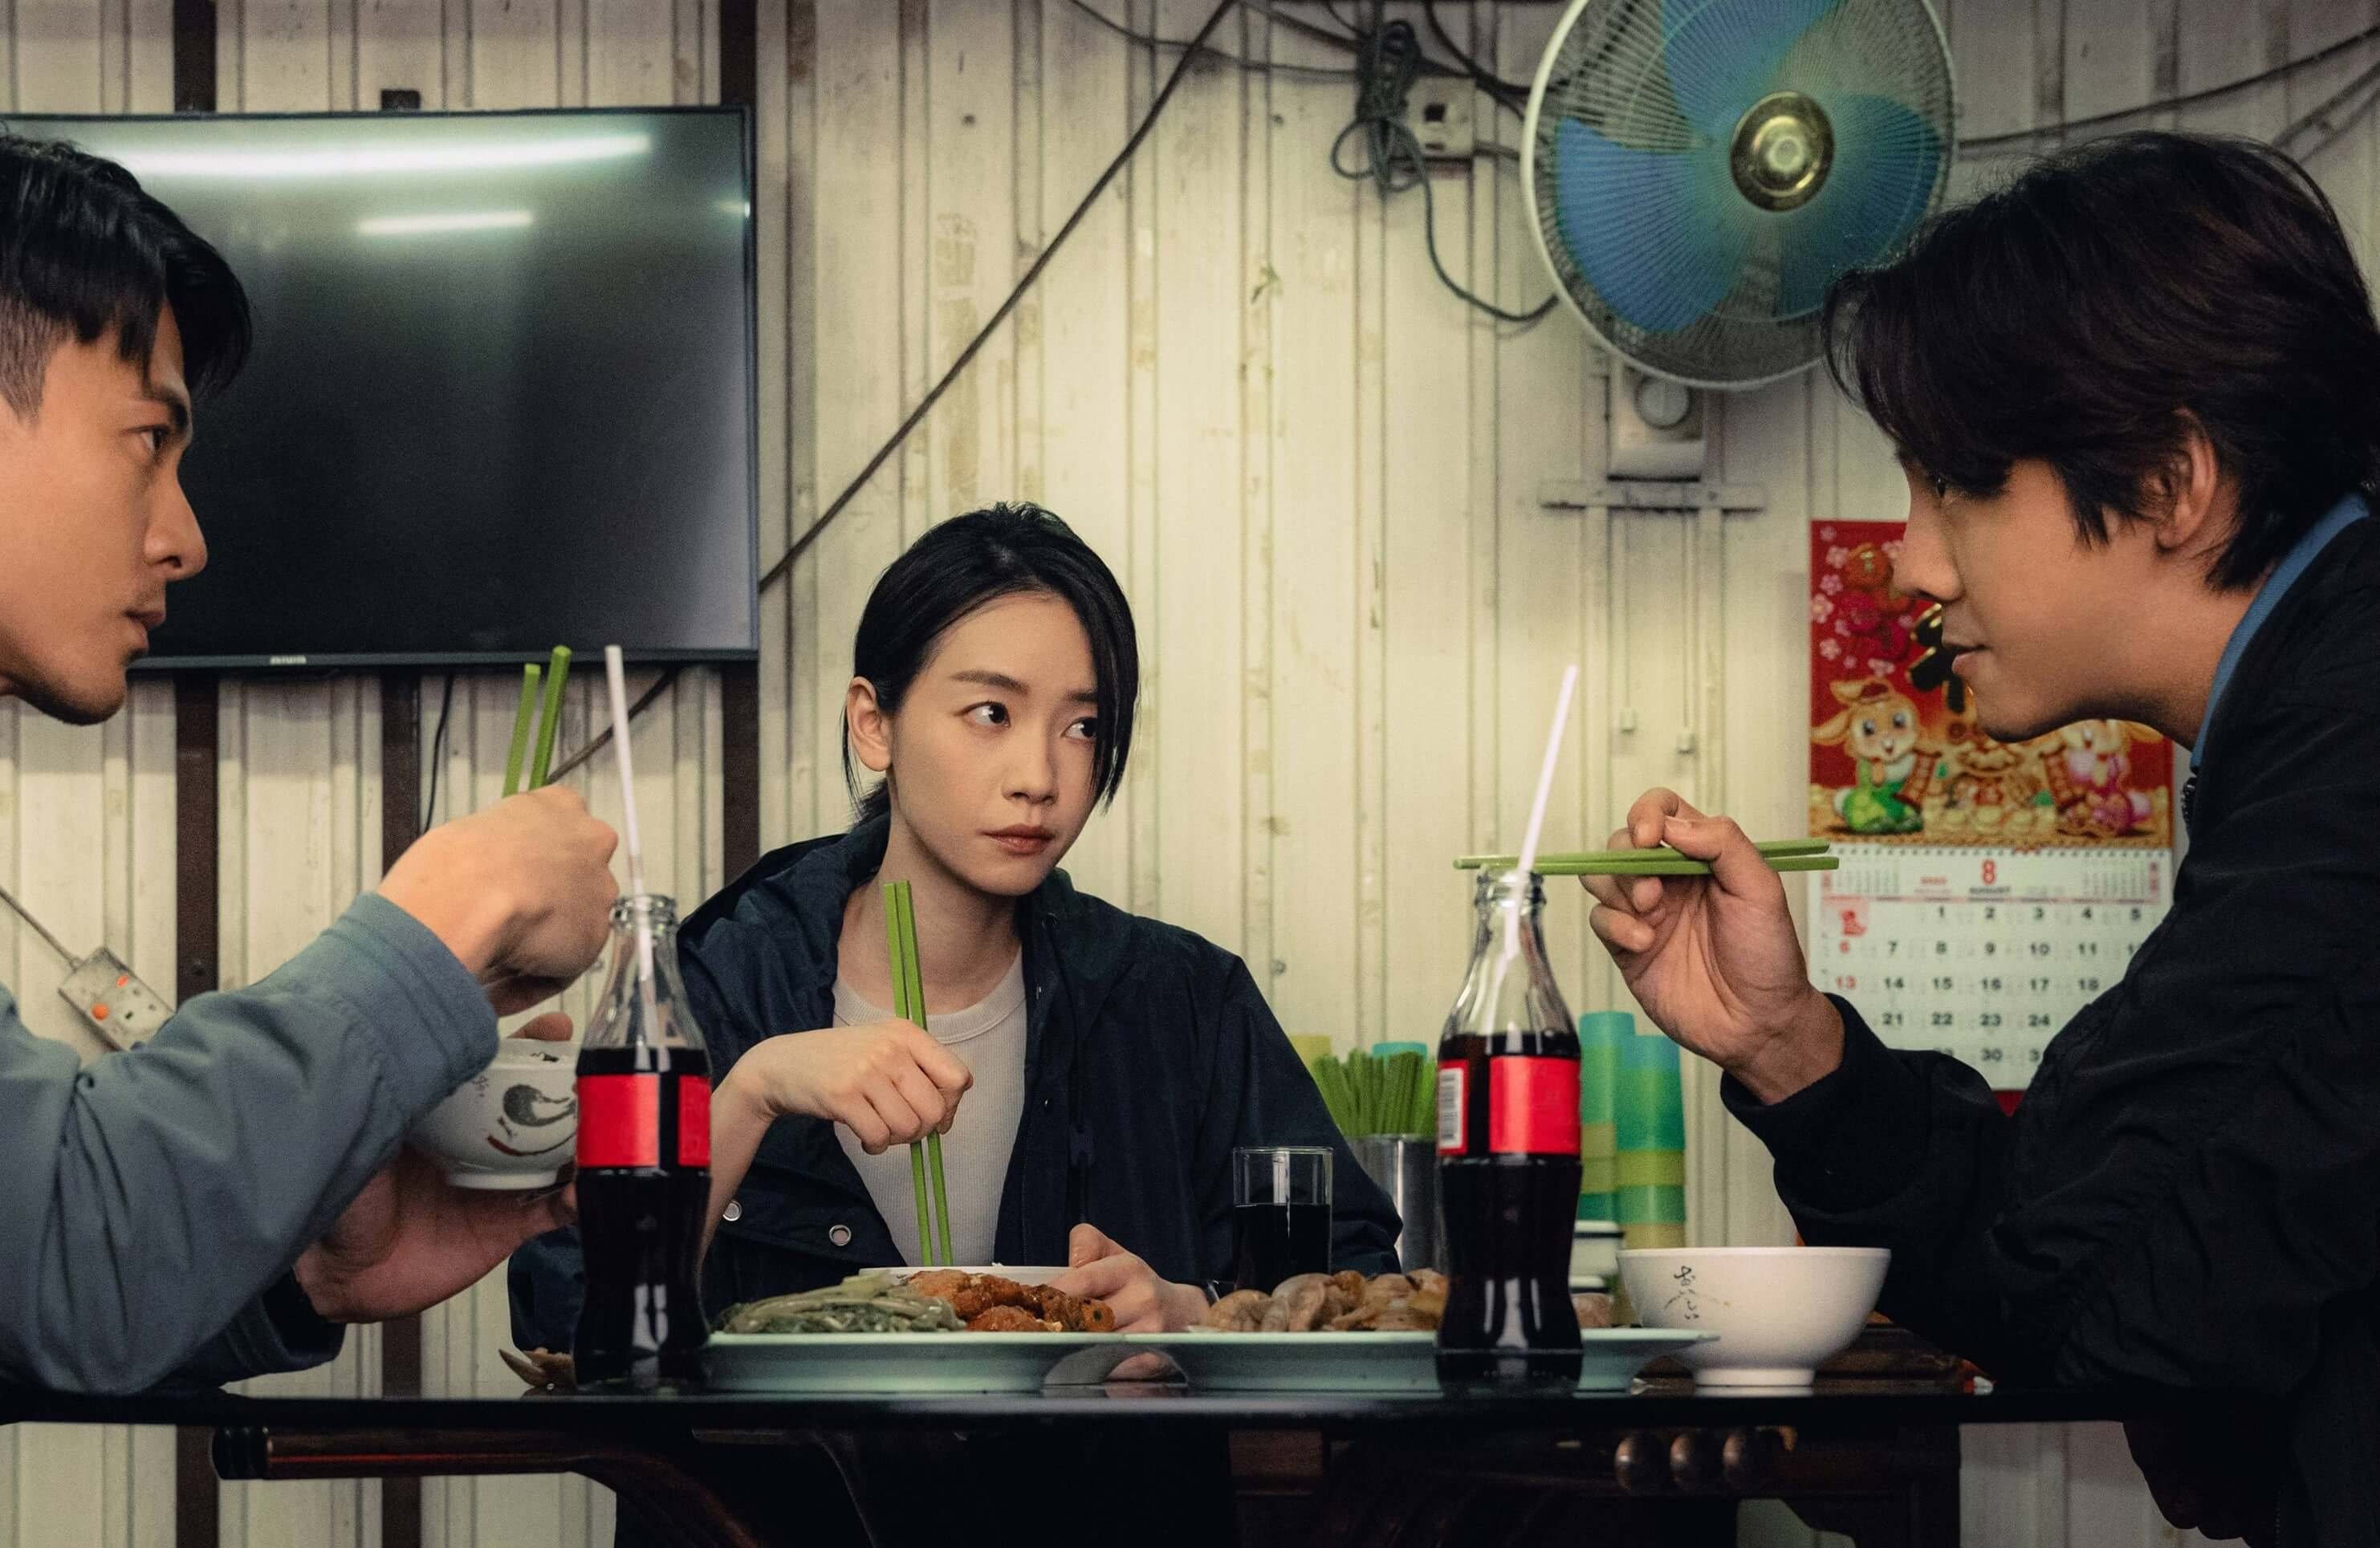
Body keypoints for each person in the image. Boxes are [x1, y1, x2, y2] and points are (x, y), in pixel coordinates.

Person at [0, 115, 621, 1546]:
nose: (184, 535)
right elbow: (57, 1243)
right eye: (147, 442)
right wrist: (447, 910)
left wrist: (309, 1271)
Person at [1584, 132, 2380, 1548]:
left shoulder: (2348, 766)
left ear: (2169, 481)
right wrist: (1785, 1043)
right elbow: (2096, 1254)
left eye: (1954, 481)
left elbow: (2093, 1294)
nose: (1911, 561)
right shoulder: (2307, 713)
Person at [516, 505, 1396, 1352]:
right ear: (875, 724)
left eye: (1082, 726)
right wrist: (749, 1095)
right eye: (991, 714)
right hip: (777, 1468)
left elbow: (1359, 1289)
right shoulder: (712, 988)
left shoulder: (1182, 1002)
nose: (1038, 777)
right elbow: (565, 1312)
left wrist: (1192, 1314)